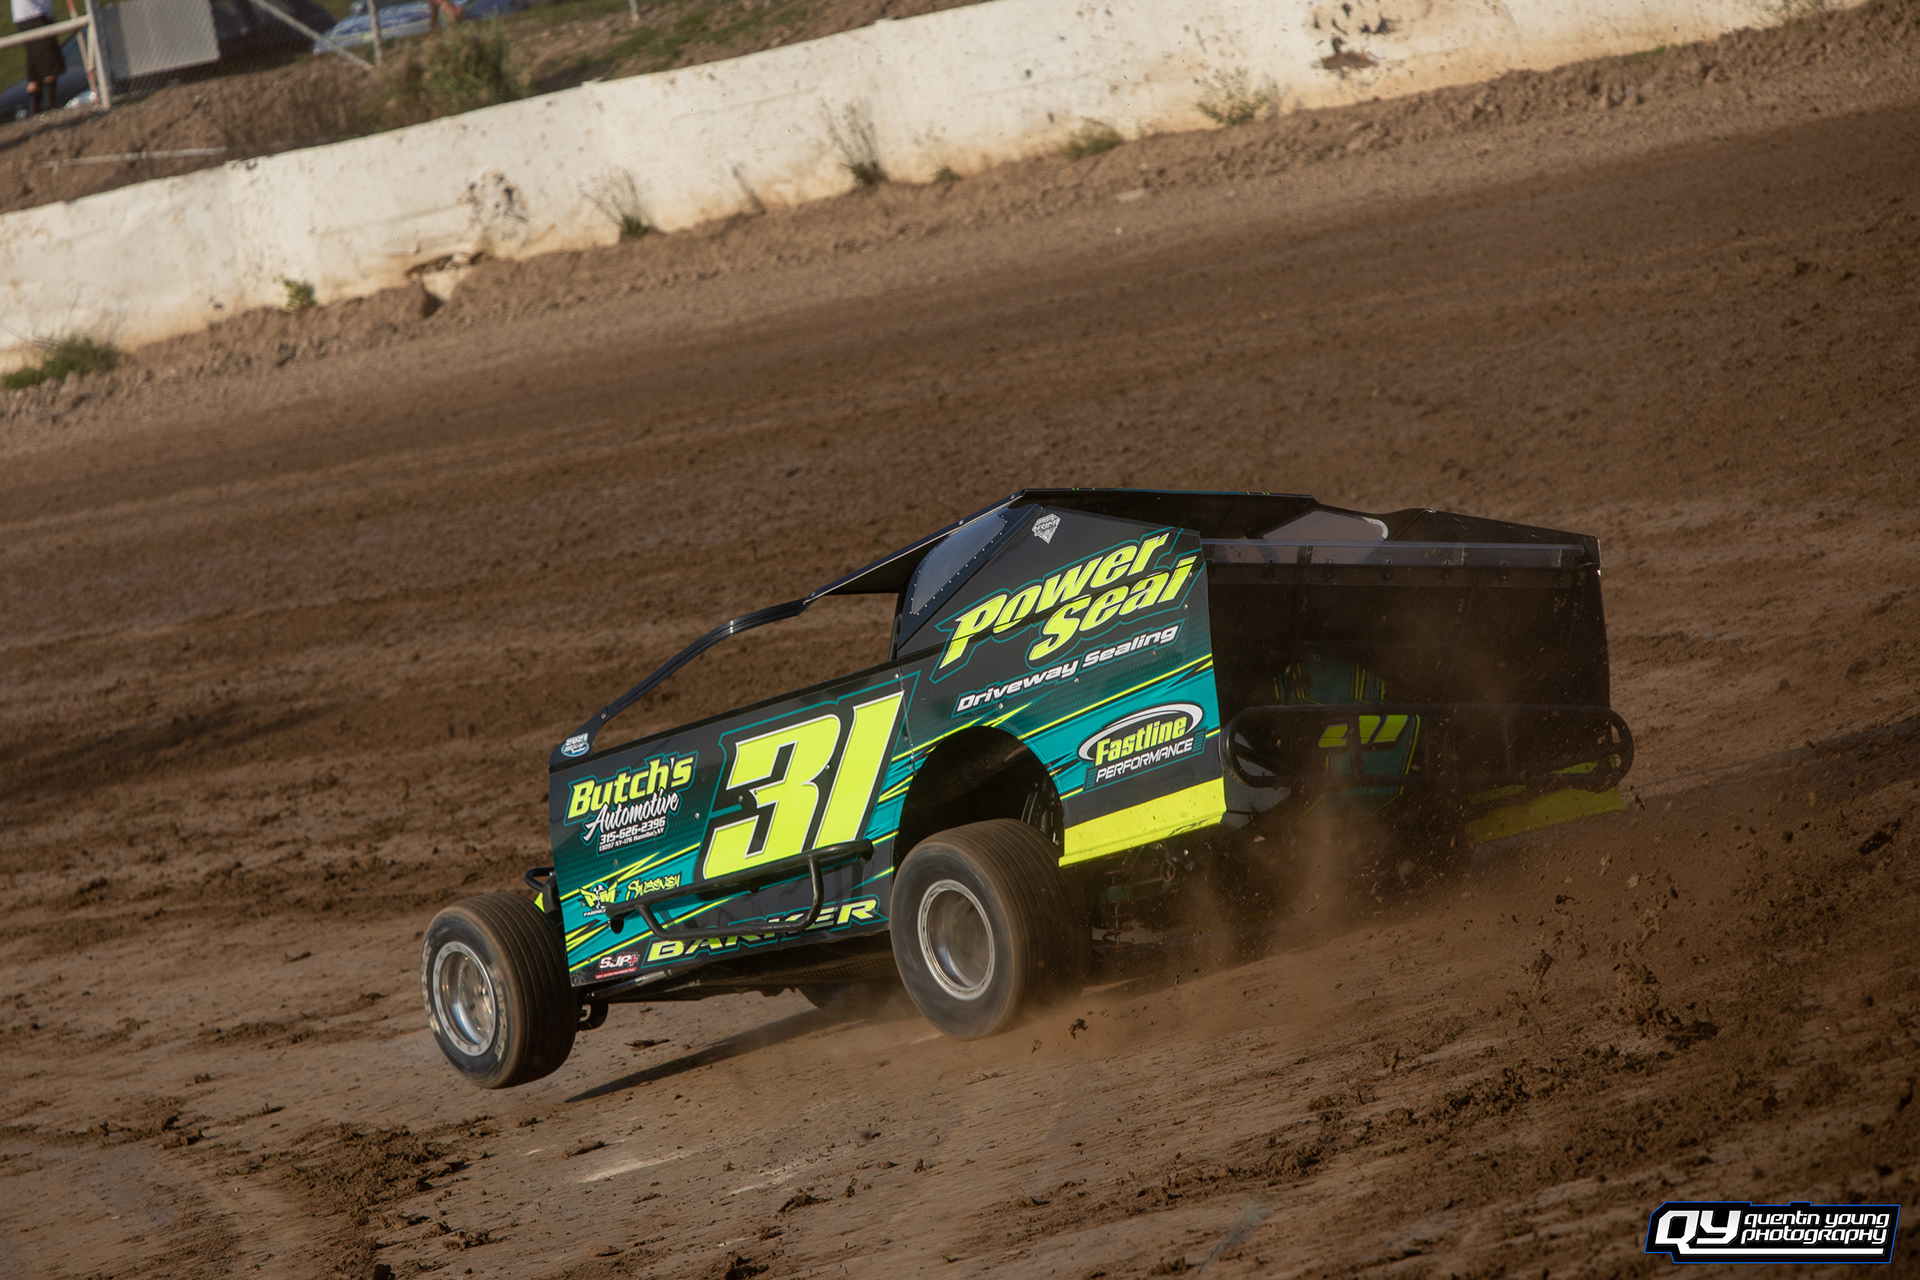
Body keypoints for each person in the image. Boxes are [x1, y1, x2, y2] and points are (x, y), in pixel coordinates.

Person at [11, 0, 66, 116]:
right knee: (51, 67)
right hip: (33, 15)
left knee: (35, 73)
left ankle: (33, 113)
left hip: (33, 15)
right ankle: (49, 108)